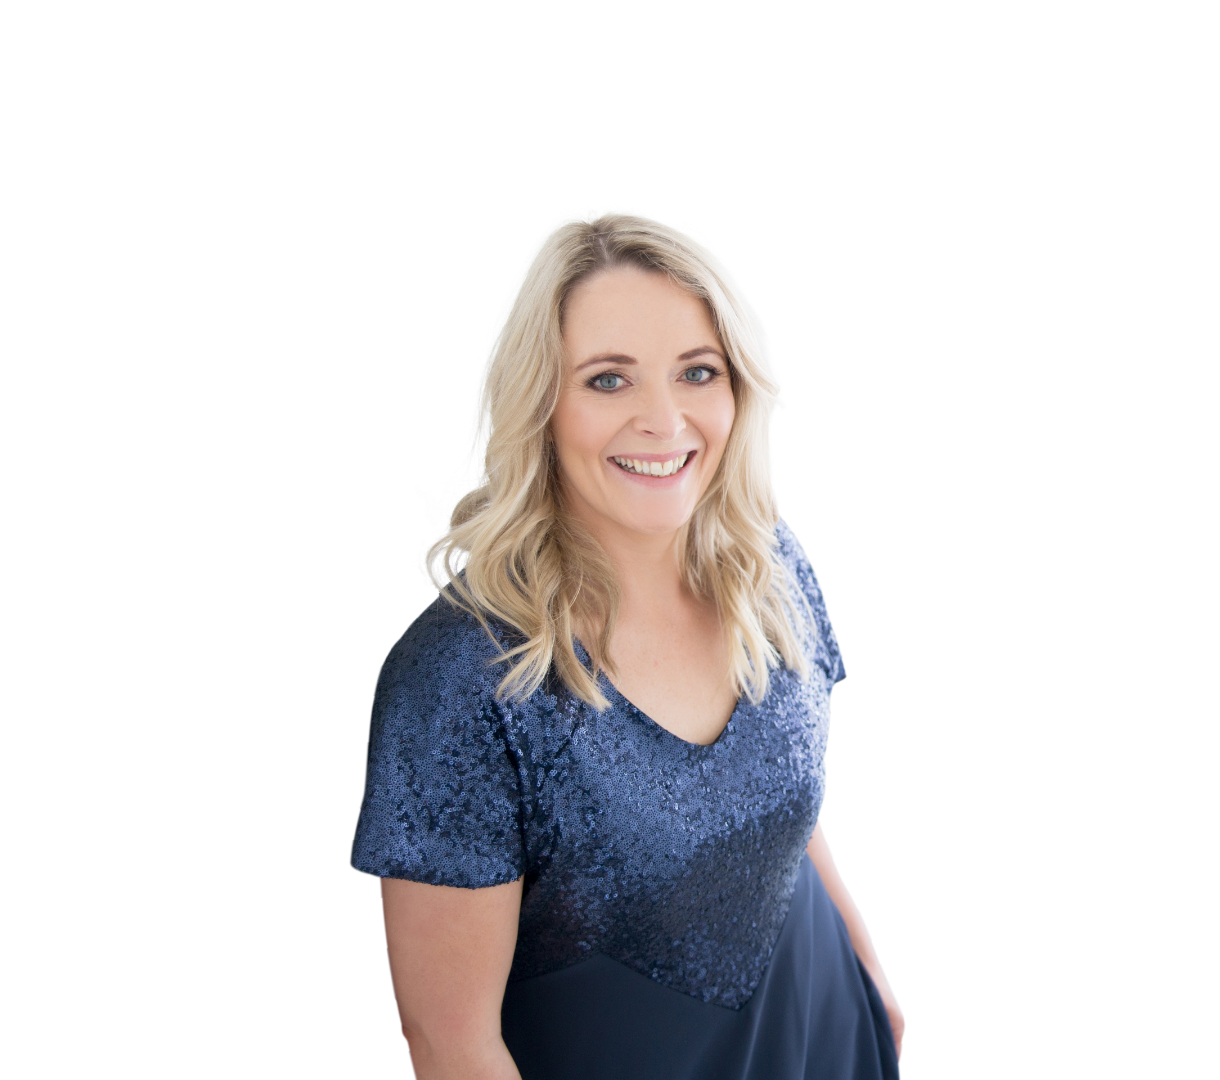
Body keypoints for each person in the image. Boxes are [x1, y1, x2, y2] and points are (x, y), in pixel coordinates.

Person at [349, 198, 905, 1078]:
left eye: (697, 371)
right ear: (541, 402)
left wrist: (868, 970)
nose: (664, 420)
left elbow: (779, 805)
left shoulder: (769, 559)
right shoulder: (460, 678)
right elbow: (452, 1045)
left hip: (828, 1036)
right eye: (609, 380)